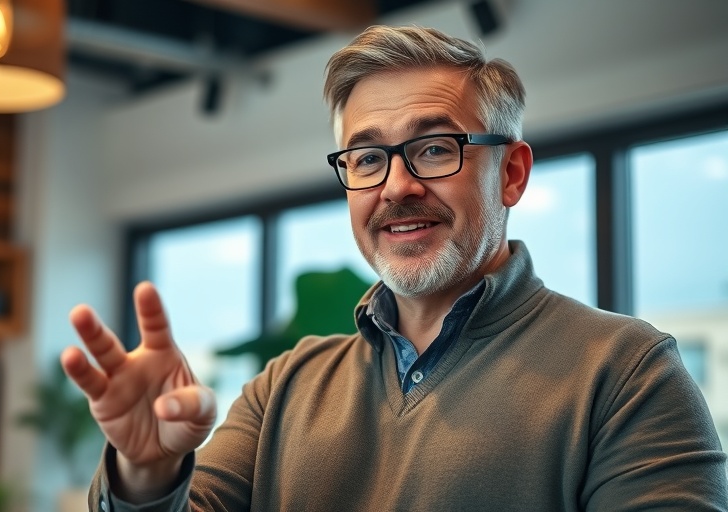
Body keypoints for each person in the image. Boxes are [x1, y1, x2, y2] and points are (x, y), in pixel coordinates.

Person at [61, 25, 728, 511]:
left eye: (434, 148)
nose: (396, 186)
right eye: (367, 158)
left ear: (512, 173)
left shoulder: (628, 375)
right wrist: (146, 473)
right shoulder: (284, 388)